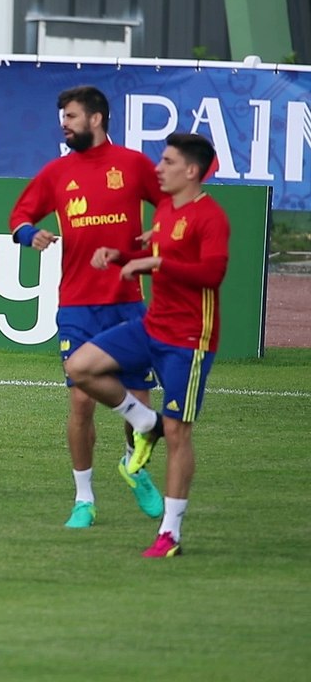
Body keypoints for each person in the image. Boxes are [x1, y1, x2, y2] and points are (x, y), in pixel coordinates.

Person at [8, 85, 166, 529]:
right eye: (63, 116)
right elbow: (19, 217)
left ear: (96, 119)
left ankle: (135, 467)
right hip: (77, 304)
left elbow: (173, 205)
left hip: (126, 302)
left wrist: (159, 232)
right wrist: (29, 235)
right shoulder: (57, 172)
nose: (64, 124)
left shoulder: (132, 164)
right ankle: (84, 499)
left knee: (137, 398)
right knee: (81, 401)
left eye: (72, 116)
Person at [66, 132, 228, 557]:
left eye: (168, 162)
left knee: (178, 432)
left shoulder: (210, 216)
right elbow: (159, 256)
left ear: (191, 171)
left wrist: (156, 262)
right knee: (79, 367)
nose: (158, 168)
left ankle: (170, 533)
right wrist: (120, 257)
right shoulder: (167, 208)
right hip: (151, 326)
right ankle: (144, 421)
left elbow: (211, 274)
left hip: (189, 339)